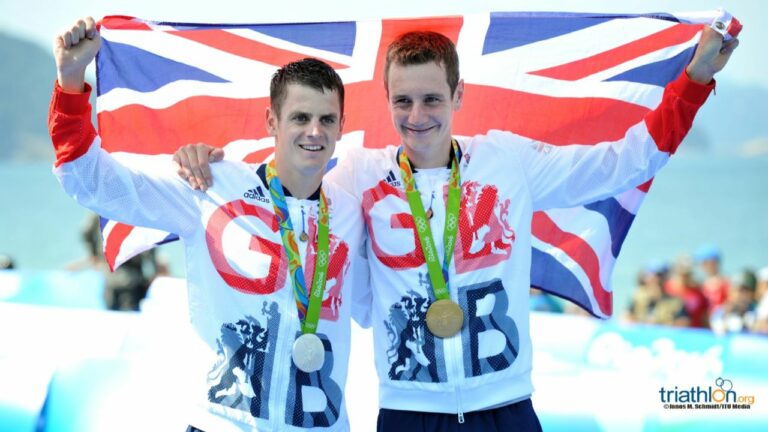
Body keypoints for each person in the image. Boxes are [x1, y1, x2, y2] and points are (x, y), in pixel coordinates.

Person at [175, 24, 737, 432]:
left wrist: (694, 80)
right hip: (409, 414)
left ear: (458, 97)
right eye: (403, 102)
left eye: (431, 100)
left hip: (507, 407)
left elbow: (625, 161)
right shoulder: (359, 177)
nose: (417, 116)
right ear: (387, 103)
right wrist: (210, 161)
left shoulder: (508, 163)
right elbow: (290, 173)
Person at [49, 17, 365, 431]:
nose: (314, 131)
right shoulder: (210, 185)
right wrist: (70, 81)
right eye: (300, 117)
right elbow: (92, 183)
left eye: (327, 119)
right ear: (271, 122)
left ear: (343, 125)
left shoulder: (350, 211)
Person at [694, 244, 730, 313]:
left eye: (703, 262)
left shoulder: (725, 283)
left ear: (713, 262)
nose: (701, 265)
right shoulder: (702, 284)